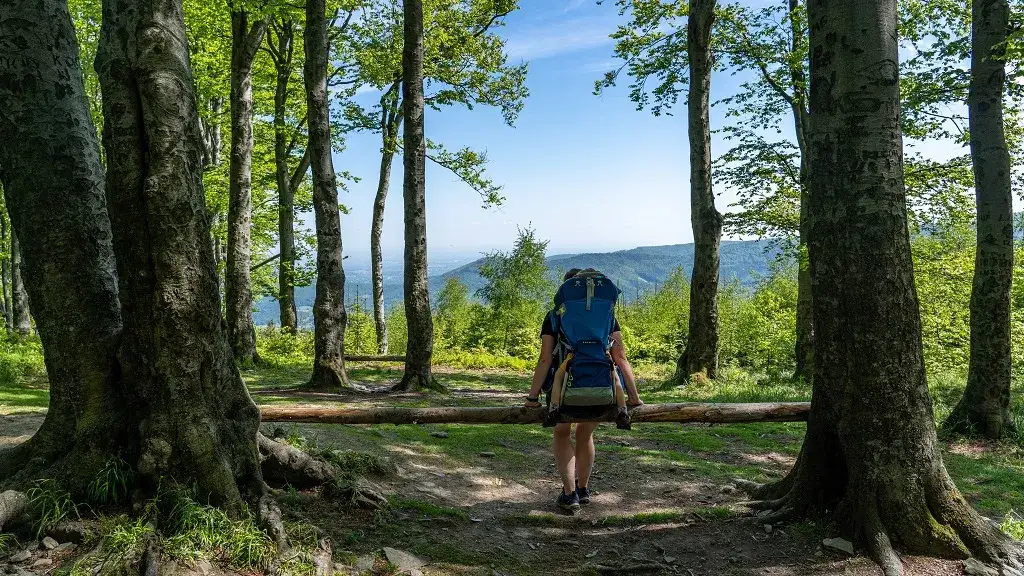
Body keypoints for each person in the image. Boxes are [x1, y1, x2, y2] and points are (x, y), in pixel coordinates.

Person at [524, 269, 643, 511]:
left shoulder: (554, 316)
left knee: (561, 433)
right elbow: (620, 358)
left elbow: (545, 359)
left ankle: (569, 495)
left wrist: (532, 398)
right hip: (601, 387)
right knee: (585, 434)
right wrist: (633, 397)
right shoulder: (607, 315)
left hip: (563, 390)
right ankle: (584, 489)